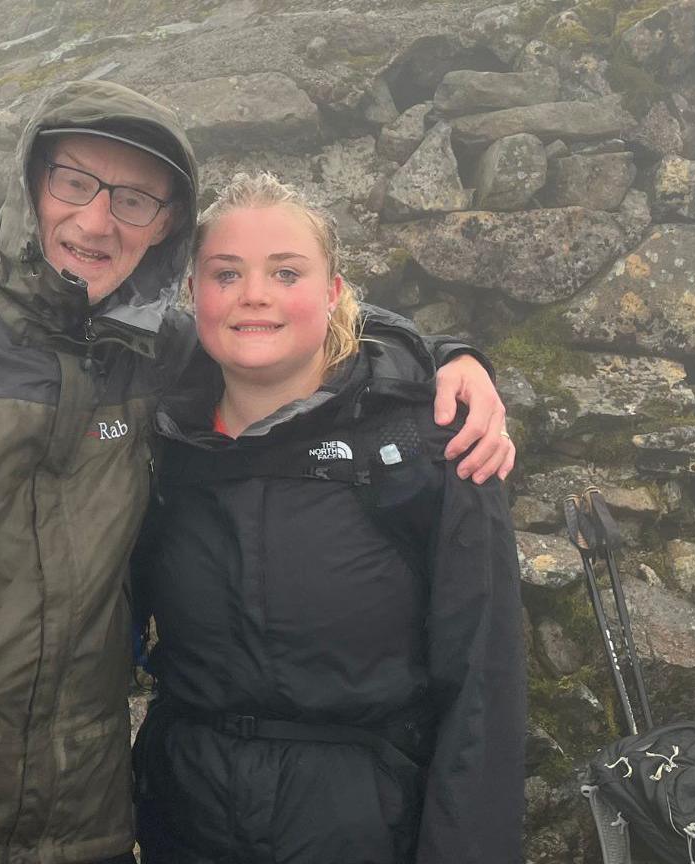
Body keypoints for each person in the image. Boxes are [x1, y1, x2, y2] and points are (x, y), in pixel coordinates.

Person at [0, 80, 513, 864]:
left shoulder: (159, 357)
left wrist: (447, 356)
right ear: (32, 183)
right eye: (76, 182)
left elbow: (283, 331)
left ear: (164, 227)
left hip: (80, 824)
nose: (98, 220)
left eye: (135, 199)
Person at [131, 173, 526, 864]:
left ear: (336, 291)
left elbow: (484, 693)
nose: (254, 294)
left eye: (286, 272)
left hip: (366, 826)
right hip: (182, 819)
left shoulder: (430, 446)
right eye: (227, 273)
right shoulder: (159, 443)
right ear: (193, 294)